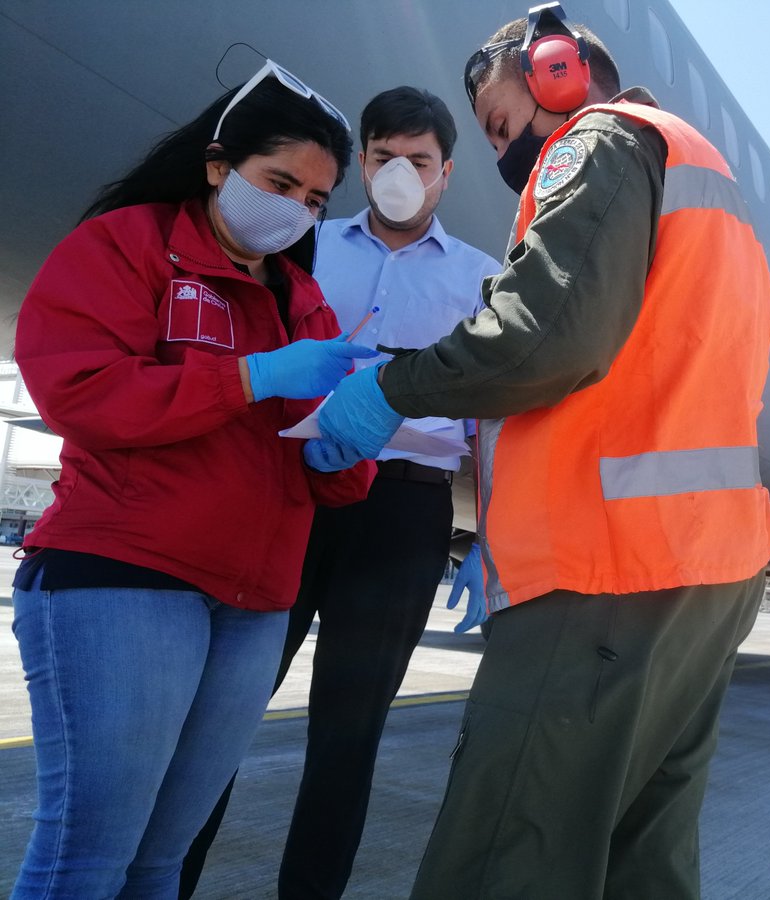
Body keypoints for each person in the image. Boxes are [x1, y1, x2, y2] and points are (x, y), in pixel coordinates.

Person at [306, 4, 770, 896]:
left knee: (505, 856)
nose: (503, 151)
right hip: (705, 566)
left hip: (607, 571)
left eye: (498, 120)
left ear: (554, 71)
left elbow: (542, 341)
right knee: (639, 864)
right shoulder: (702, 174)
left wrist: (388, 390)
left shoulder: (596, 145)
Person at [9, 59, 375, 898]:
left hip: (253, 604)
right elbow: (83, 393)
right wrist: (249, 377)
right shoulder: (126, 245)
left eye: (316, 201)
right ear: (219, 165)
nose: (295, 212)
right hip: (126, 579)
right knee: (86, 856)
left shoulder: (305, 299)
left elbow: (326, 486)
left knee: (160, 863)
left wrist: (350, 440)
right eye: (279, 182)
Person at [178, 85, 501, 900]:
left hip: (403, 510)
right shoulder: (304, 247)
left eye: (418, 161)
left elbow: (495, 424)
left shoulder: (483, 280)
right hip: (293, 491)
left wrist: (493, 536)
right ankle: (165, 882)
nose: (400, 173)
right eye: (385, 157)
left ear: (445, 173)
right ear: (361, 162)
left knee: (347, 737)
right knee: (221, 718)